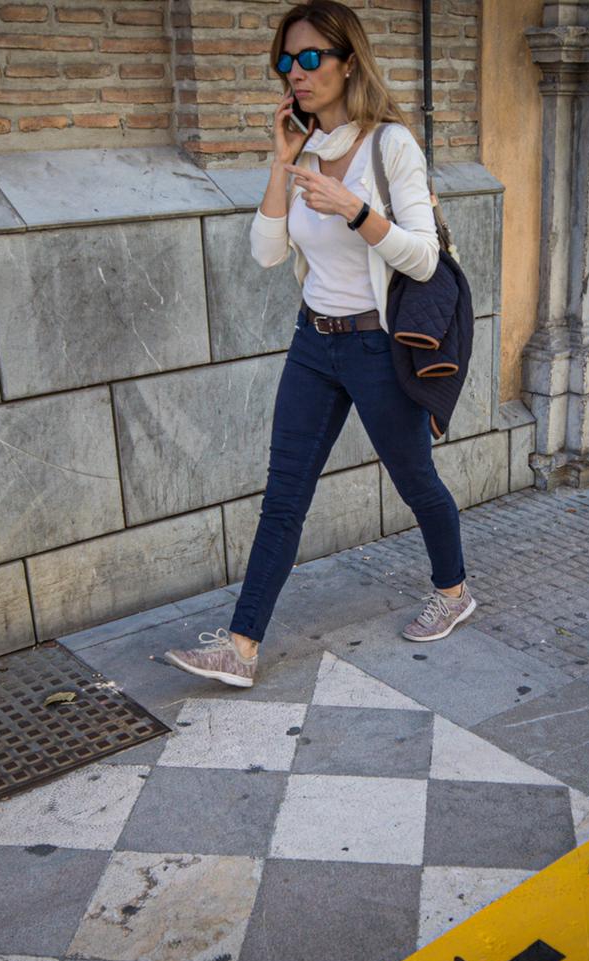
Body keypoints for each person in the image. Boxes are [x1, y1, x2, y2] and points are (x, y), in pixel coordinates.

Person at [165, 0, 474, 689]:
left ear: (348, 62)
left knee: (414, 480)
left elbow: (423, 260)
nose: (296, 73)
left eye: (310, 59)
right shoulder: (304, 149)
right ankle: (240, 648)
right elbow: (267, 254)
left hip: (376, 349)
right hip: (314, 344)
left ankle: (453, 591)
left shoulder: (391, 145)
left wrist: (355, 210)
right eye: (286, 61)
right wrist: (281, 163)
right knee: (284, 496)